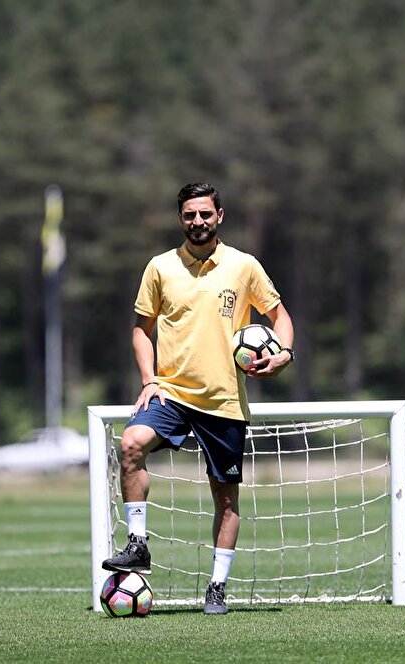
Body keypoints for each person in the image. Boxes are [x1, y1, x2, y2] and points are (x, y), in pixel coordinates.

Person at [102, 183, 295, 615]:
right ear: (180, 218)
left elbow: (280, 317)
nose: (198, 222)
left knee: (226, 501)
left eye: (205, 214)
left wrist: (284, 354)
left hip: (223, 400)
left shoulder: (244, 266)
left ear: (220, 216)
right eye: (189, 215)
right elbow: (141, 329)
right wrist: (149, 379)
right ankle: (137, 544)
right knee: (131, 443)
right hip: (170, 392)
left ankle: (217, 589)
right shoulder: (160, 267)